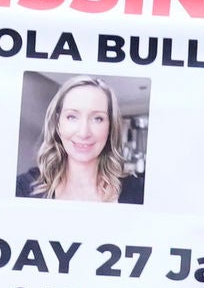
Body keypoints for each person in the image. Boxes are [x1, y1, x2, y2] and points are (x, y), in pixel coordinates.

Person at [16, 76, 146, 204]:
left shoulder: (139, 192)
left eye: (98, 118)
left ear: (110, 126)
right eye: (72, 117)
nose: (84, 133)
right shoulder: (24, 188)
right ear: (58, 123)